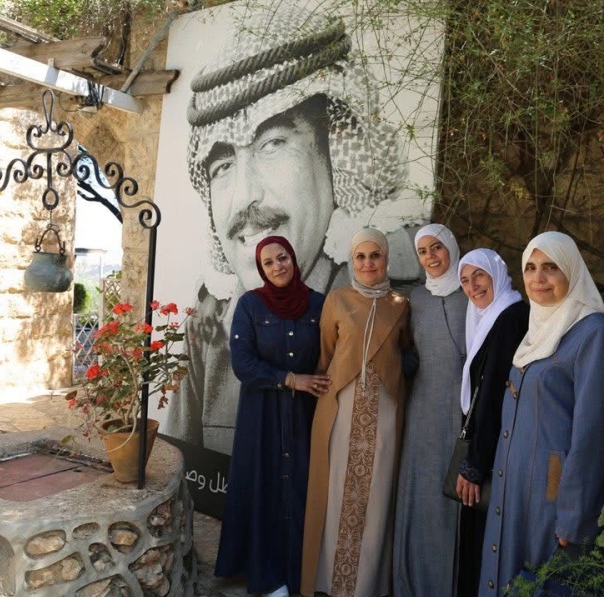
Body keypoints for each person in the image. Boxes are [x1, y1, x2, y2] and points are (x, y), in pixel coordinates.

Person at [166, 6, 425, 453]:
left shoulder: (386, 297)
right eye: (222, 165)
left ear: (335, 154)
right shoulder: (209, 320)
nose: (244, 197)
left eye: (272, 144)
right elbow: (182, 467)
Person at [478, 231, 604, 597]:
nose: (538, 278)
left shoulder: (595, 333)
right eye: (530, 267)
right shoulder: (536, 333)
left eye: (551, 267)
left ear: (571, 271)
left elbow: (593, 436)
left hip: (552, 503)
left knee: (540, 585)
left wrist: (574, 518)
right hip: (514, 492)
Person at [214, 236, 330, 597]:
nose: (278, 266)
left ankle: (300, 574)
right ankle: (267, 577)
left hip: (306, 414)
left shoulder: (318, 304)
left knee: (300, 489)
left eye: (282, 258)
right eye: (269, 262)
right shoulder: (250, 305)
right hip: (262, 414)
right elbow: (242, 363)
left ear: (293, 259)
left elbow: (332, 352)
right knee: (265, 489)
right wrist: (290, 379)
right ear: (261, 269)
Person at [301, 228, 413, 597]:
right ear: (353, 260)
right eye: (361, 257)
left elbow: (405, 351)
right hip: (340, 407)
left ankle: (366, 585)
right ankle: (327, 580)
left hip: (385, 410)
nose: (368, 264)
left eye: (375, 255)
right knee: (335, 489)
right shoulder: (336, 299)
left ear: (386, 259)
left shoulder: (401, 304)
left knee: (376, 493)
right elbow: (325, 354)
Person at [393, 224, 468, 597]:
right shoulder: (416, 299)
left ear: (451, 247)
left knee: (449, 496)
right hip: (422, 408)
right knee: (420, 493)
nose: (430, 257)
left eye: (436, 247)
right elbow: (407, 352)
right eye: (422, 251)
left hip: (460, 410)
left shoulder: (472, 295)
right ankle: (411, 581)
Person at [455, 249, 529, 597]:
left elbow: (495, 392)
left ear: (496, 274)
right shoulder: (487, 316)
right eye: (465, 281)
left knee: (486, 537)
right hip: (488, 442)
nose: (473, 287)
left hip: (496, 449)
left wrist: (475, 465)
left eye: (479, 276)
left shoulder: (510, 317)